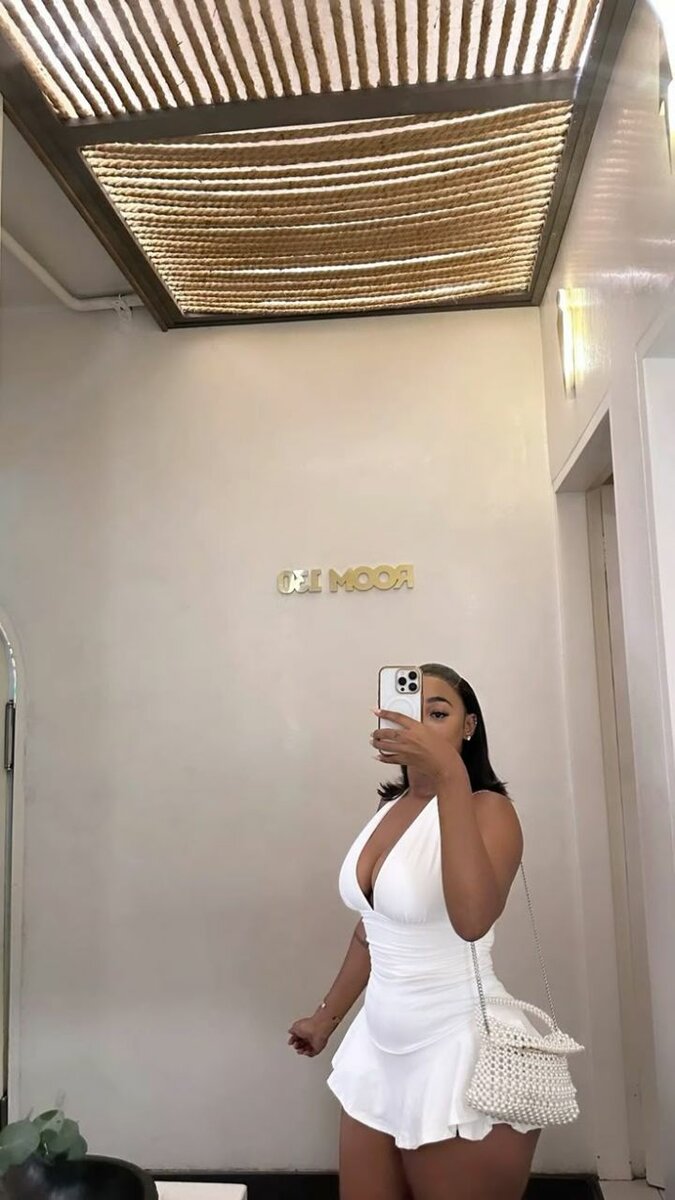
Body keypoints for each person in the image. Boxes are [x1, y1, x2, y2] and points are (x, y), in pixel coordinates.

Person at [288, 663, 540, 1200]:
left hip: (458, 1047)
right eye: (409, 711)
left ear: (468, 726)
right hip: (377, 1047)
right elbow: (372, 930)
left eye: (438, 713)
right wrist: (325, 1018)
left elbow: (473, 921)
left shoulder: (490, 810)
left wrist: (449, 776)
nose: (420, 725)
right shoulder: (390, 808)